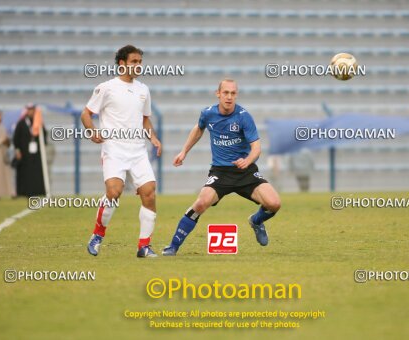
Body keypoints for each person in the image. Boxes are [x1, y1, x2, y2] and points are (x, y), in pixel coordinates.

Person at [162, 79, 281, 256]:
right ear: (218, 94)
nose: (229, 97)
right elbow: (199, 128)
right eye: (225, 93)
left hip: (245, 170)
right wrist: (183, 152)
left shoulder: (243, 116)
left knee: (274, 204)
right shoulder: (208, 114)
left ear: (236, 95)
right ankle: (173, 246)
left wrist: (247, 161)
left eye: (233, 93)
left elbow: (257, 147)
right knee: (201, 203)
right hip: (221, 172)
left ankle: (256, 221)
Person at [81, 44, 162, 258]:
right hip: (114, 150)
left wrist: (153, 137)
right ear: (122, 63)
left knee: (149, 193)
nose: (138, 66)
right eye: (134, 62)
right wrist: (92, 131)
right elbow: (86, 114)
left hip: (138, 151)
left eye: (140, 62)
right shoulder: (106, 87)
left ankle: (144, 246)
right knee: (114, 192)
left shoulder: (143, 90)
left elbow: (145, 120)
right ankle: (98, 235)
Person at [13, 104, 47, 197]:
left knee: (36, 172)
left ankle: (37, 191)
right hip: (24, 153)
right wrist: (17, 150)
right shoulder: (21, 123)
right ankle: (23, 192)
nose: (31, 112)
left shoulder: (38, 122)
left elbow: (43, 136)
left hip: (35, 154)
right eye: (29, 110)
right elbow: (16, 138)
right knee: (24, 172)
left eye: (32, 110)